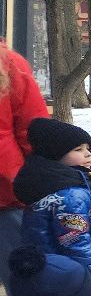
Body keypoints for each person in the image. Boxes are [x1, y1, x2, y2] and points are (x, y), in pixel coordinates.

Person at [13, 119, 91, 296]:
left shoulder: (50, 185)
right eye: (78, 150)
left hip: (56, 276)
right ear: (55, 155)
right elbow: (76, 243)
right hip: (74, 280)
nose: (87, 155)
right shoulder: (69, 195)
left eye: (88, 149)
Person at [0, 39, 51, 261]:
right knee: (23, 278)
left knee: (23, 274)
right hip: (8, 189)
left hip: (8, 194)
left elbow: (33, 132)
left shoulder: (10, 65)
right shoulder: (11, 63)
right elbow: (34, 132)